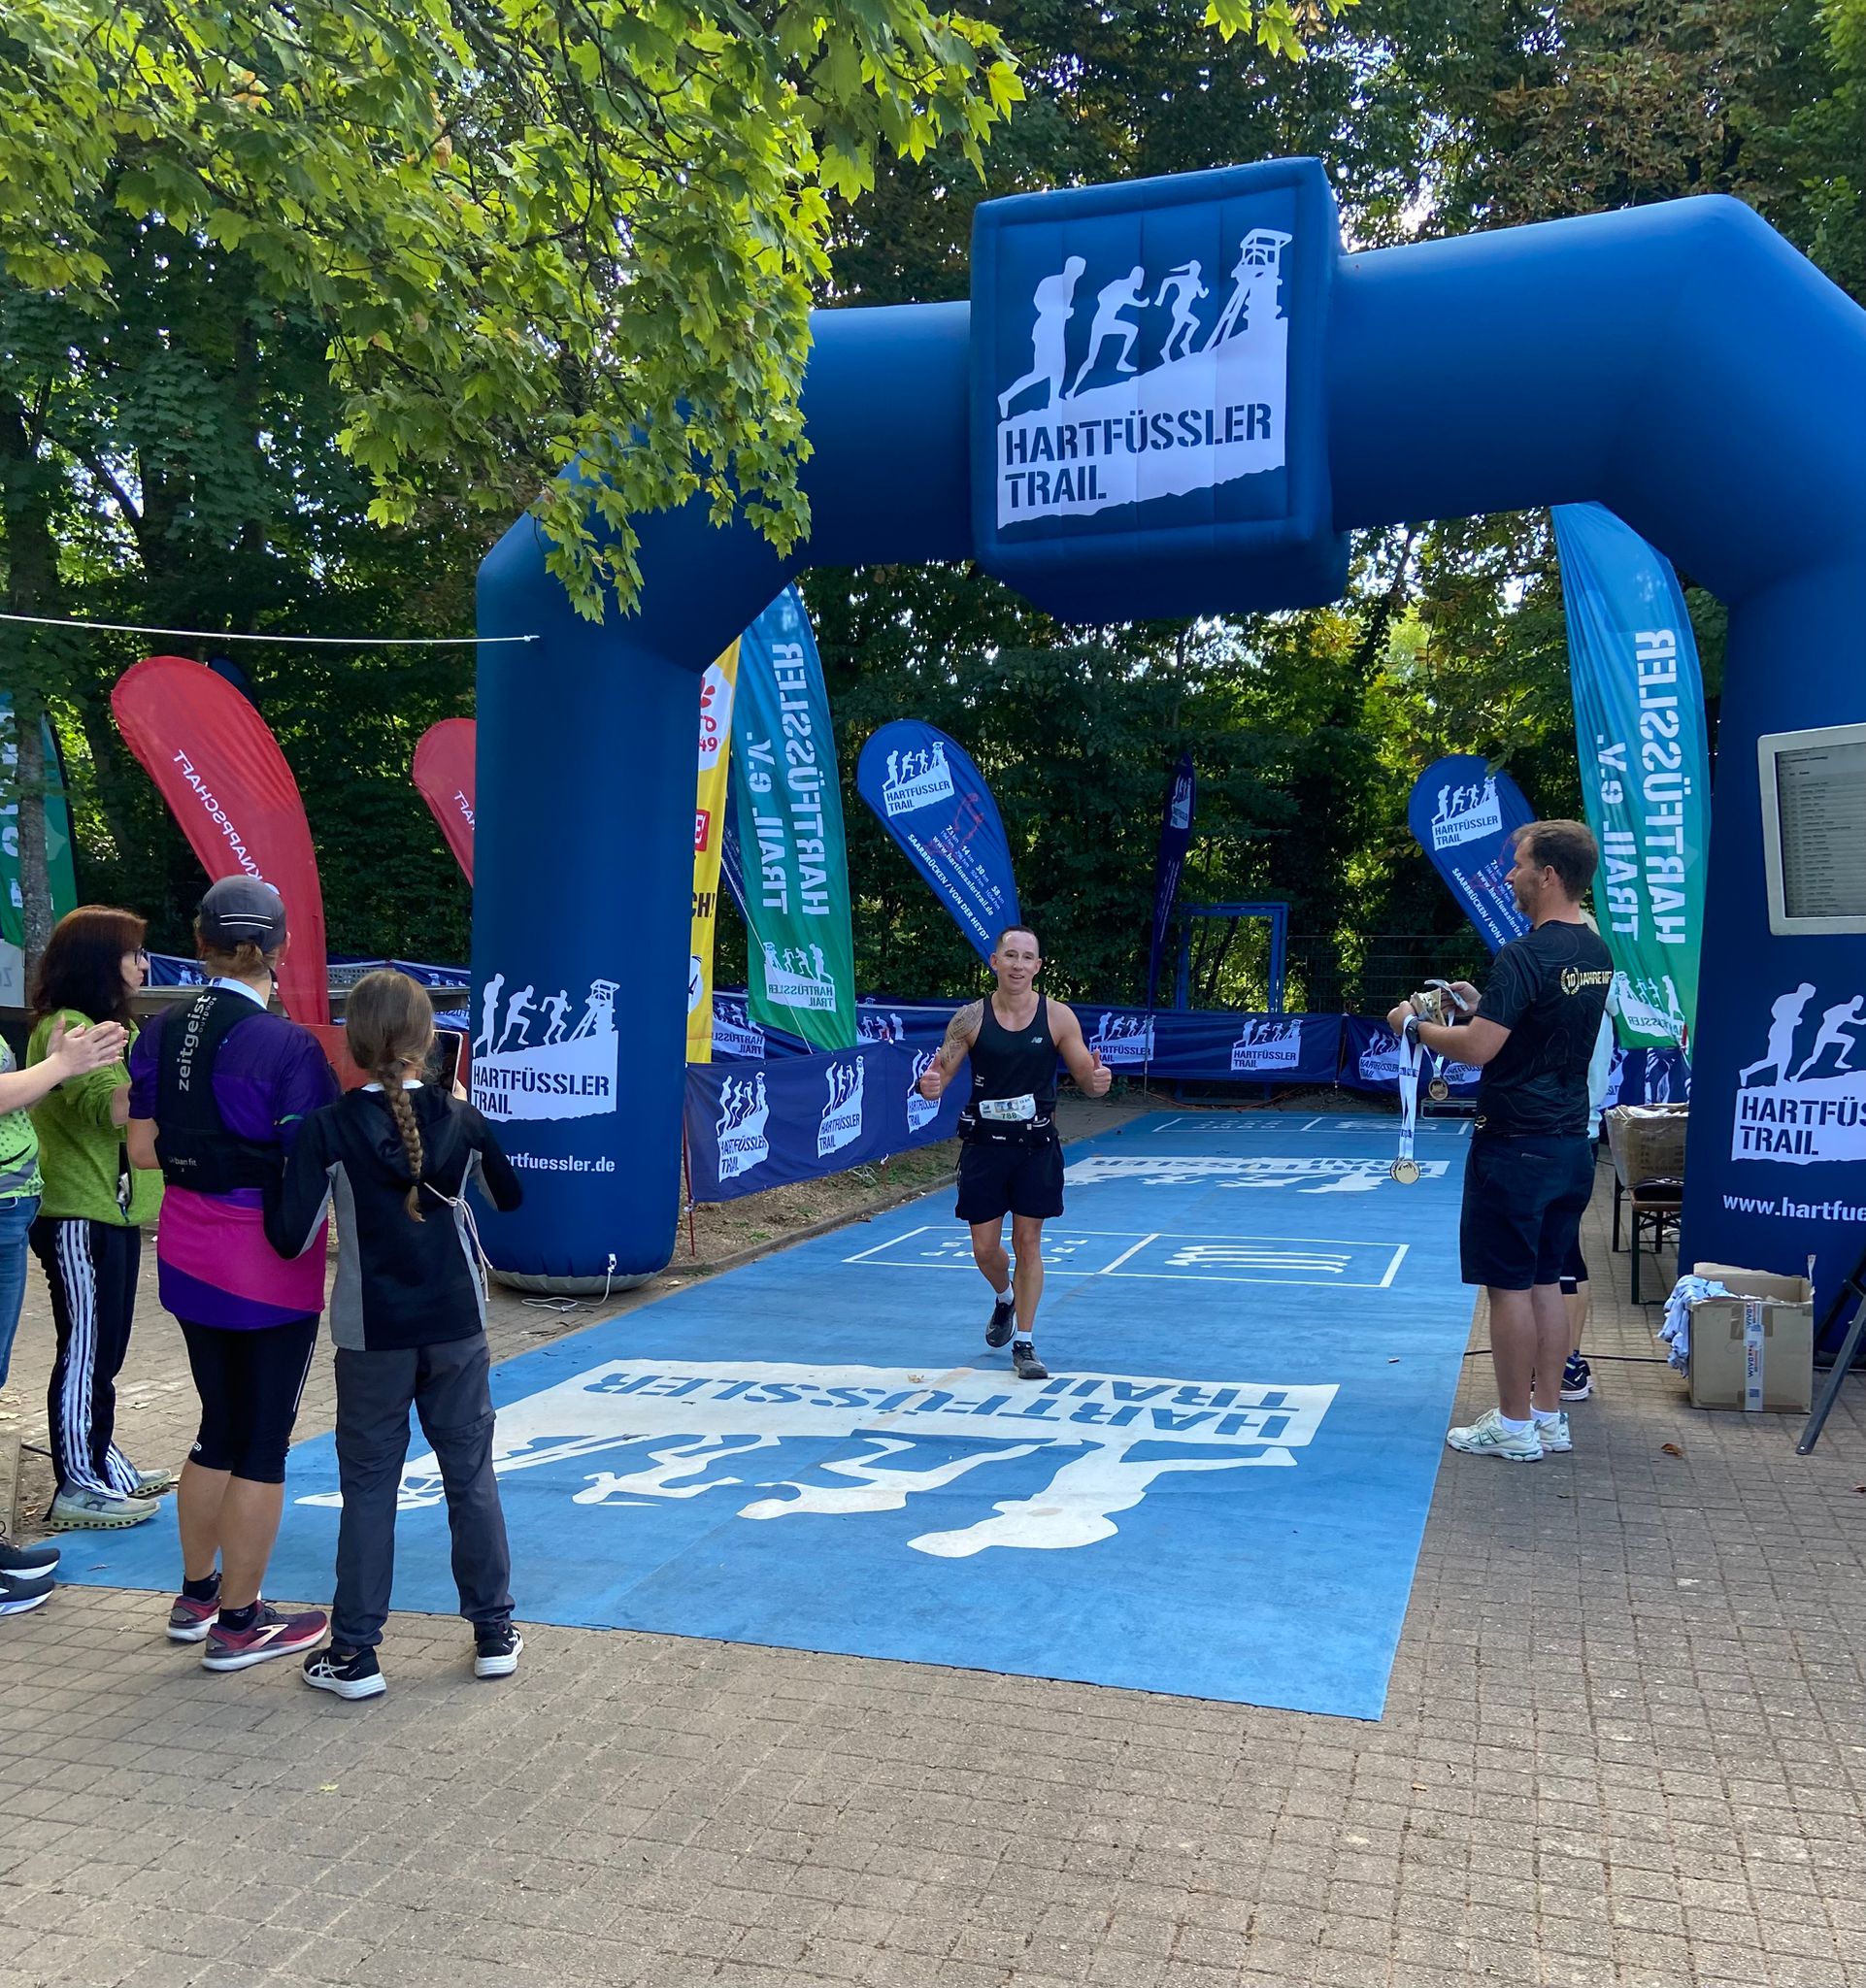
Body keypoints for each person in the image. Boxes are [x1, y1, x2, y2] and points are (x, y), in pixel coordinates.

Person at [267, 969, 523, 1700]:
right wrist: (467, 1120)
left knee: (370, 1488)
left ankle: (355, 1651)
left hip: (371, 1332)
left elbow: (290, 1238)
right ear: (427, 1040)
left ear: (352, 1043)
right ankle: (494, 1631)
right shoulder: (461, 1118)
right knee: (469, 1476)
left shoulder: (327, 1128)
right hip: (457, 1325)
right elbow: (510, 1198)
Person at [125, 878, 340, 1672]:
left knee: (218, 1423)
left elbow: (143, 1151)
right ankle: (241, 1623)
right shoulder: (289, 1048)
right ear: (280, 948)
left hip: (187, 1252)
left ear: (201, 941)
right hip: (268, 1264)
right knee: (263, 1442)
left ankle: (197, 1596)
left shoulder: (160, 1029)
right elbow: (313, 1161)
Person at [1389, 820, 1613, 1463]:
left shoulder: (1525, 953)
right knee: (1547, 1280)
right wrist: (1485, 1002)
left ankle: (1513, 1424)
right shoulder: (1594, 951)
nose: (1509, 875)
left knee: (1509, 1288)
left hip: (1515, 1144)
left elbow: (1481, 1047)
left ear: (1549, 874)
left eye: (1518, 864)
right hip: (1570, 1141)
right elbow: (1534, 1023)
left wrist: (1413, 1027)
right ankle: (1546, 1416)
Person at [916, 924, 1113, 1382]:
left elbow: (1086, 1077)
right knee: (985, 1249)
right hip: (984, 1146)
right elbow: (939, 1077)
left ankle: (1024, 1342)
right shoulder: (970, 1018)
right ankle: (1004, 1297)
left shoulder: (1058, 1016)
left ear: (1038, 966)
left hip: (1035, 1147)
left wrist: (1097, 1082)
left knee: (1028, 1242)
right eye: (1010, 956)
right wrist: (930, 1086)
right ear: (995, 962)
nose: (1018, 965)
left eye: (1027, 958)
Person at [26, 906, 171, 1530]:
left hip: (112, 1211)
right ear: (98, 960)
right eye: (133, 952)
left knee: (103, 1349)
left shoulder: (113, 1025)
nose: (143, 964)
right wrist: (173, 1072)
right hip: (77, 1216)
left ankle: (102, 1461)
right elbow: (105, 1109)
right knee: (86, 1351)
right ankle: (77, 1484)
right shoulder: (69, 1026)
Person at [0, 1011, 127, 1607]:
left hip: (15, 1203)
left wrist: (53, 1072)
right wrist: (59, 1065)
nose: (143, 968)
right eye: (133, 962)